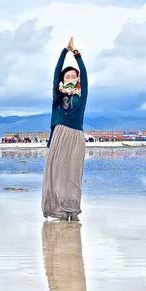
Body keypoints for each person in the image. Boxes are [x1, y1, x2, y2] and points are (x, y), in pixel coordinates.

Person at [42, 36, 88, 221]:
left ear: (77, 79)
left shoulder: (81, 95)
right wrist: (64, 52)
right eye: (67, 76)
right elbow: (55, 74)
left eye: (73, 76)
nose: (70, 78)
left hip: (76, 136)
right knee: (57, 174)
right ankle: (58, 211)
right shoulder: (58, 96)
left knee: (73, 176)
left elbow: (84, 74)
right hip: (60, 135)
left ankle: (72, 210)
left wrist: (76, 54)